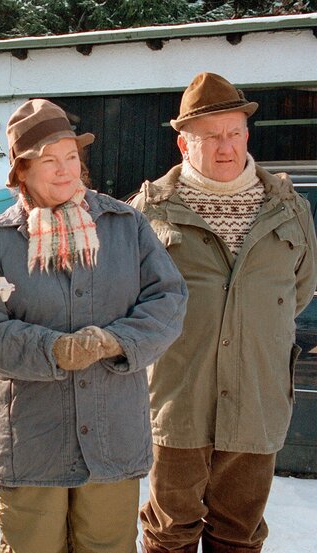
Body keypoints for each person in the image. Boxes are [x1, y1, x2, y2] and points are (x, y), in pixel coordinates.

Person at [0, 99, 188, 553]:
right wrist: (51, 350)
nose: (65, 170)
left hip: (111, 439)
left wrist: (116, 340)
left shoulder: (126, 226)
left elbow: (169, 299)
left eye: (71, 156)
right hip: (33, 443)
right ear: (21, 172)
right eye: (49, 160)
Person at [130, 72, 317, 553]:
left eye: (234, 132)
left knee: (239, 534)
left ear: (247, 134)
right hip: (178, 404)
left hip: (256, 401)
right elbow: (130, 303)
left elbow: (299, 291)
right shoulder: (150, 212)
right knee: (168, 532)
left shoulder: (290, 209)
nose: (225, 146)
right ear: (183, 144)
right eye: (210, 136)